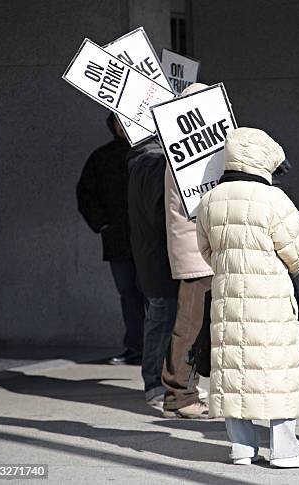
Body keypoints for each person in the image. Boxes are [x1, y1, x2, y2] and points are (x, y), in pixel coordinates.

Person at [196, 127, 299, 468]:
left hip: (227, 297)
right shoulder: (274, 200)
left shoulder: (209, 200)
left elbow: (206, 251)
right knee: (274, 369)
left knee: (234, 369)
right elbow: (298, 253)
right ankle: (284, 448)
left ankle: (241, 447)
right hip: (270, 300)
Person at [161, 83, 214, 419]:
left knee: (195, 325)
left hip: (198, 250)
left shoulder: (186, 152)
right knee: (190, 326)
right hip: (196, 253)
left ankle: (185, 387)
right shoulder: (188, 157)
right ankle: (179, 395)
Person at [77, 113, 145, 366]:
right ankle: (136, 347)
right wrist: (103, 224)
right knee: (128, 293)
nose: (122, 127)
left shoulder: (151, 155)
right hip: (118, 239)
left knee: (153, 295)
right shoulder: (102, 157)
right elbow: (86, 194)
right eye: (118, 122)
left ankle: (157, 349)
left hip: (149, 239)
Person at [126, 139, 179, 408]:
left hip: (155, 256)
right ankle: (156, 384)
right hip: (160, 257)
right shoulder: (154, 165)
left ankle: (161, 382)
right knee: (162, 318)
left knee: (163, 317)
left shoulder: (144, 164)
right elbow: (160, 216)